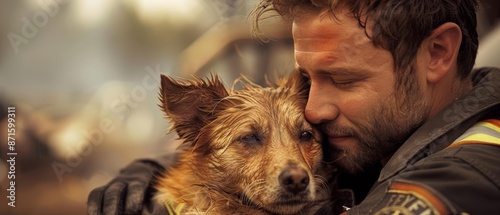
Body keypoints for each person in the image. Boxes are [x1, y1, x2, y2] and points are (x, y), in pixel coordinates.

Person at [87, 0, 500, 214]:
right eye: (307, 79)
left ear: (438, 53)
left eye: (342, 79)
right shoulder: (392, 132)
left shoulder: (473, 171)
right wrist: (160, 172)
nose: (314, 110)